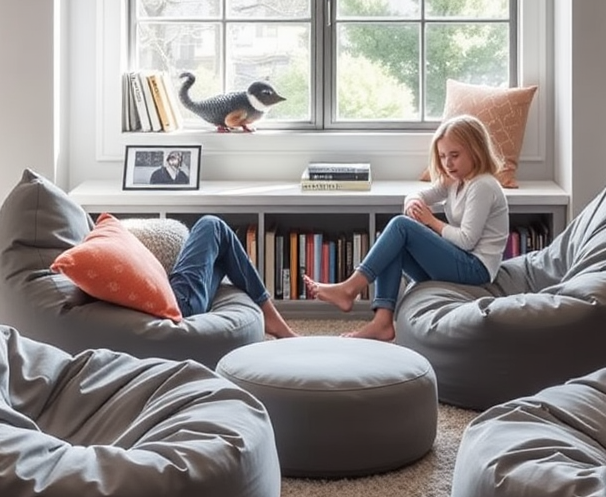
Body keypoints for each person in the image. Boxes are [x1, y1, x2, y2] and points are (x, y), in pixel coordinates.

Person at [304, 113, 509, 340]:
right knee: (395, 244)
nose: (447, 163)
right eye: (442, 156)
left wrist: (430, 221)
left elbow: (467, 240)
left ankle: (350, 288)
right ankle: (382, 322)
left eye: (455, 155)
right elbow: (422, 193)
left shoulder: (483, 185)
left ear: (476, 150)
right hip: (459, 262)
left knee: (401, 226)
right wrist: (413, 201)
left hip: (476, 270)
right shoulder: (457, 180)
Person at [170, 214, 298, 338]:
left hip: (178, 299)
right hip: (179, 302)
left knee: (223, 254)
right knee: (212, 224)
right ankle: (271, 317)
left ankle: (271, 318)